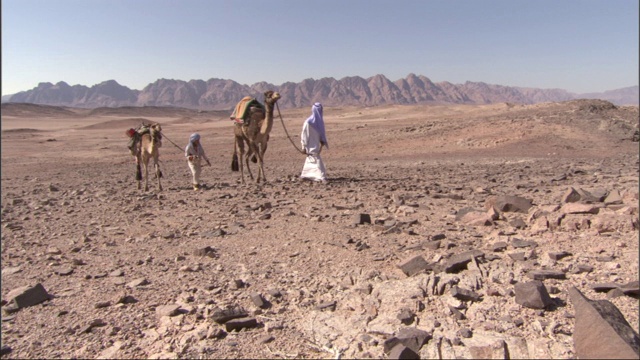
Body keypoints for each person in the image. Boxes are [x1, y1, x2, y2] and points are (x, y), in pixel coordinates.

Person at [300, 102, 328, 182]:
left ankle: (306, 175)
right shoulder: (308, 123)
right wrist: (303, 146)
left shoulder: (319, 123)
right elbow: (304, 135)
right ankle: (321, 176)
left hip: (315, 144)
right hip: (310, 144)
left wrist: (321, 140)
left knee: (311, 158)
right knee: (315, 158)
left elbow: (320, 133)